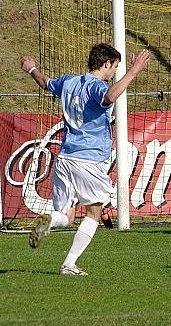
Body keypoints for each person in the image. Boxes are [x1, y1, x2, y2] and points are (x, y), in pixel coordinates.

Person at [21, 43, 150, 276]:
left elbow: (44, 82)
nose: (114, 73)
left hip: (65, 158)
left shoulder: (69, 82)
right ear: (106, 64)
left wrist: (32, 69)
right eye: (115, 67)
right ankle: (69, 264)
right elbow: (109, 97)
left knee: (67, 217)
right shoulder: (96, 87)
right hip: (87, 160)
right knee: (94, 213)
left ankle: (50, 220)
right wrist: (134, 71)